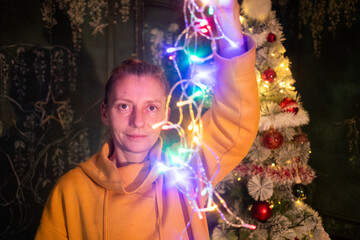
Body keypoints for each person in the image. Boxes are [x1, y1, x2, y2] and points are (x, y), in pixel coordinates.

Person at [35, 0, 259, 239]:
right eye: (124, 106)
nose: (138, 121)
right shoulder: (70, 191)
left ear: (165, 115)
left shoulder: (188, 174)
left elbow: (234, 118)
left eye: (151, 108)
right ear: (105, 113)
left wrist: (226, 14)